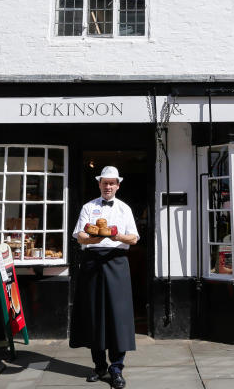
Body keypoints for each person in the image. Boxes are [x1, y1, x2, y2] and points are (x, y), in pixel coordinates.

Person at [71, 166, 138, 388]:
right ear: (99, 184)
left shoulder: (124, 209)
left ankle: (116, 368)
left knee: (118, 316)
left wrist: (116, 235)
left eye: (112, 183)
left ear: (118, 185)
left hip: (117, 262)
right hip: (92, 262)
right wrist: (93, 240)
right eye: (104, 183)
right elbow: (80, 234)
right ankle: (99, 366)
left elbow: (134, 239)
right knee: (94, 315)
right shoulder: (88, 207)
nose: (108, 186)